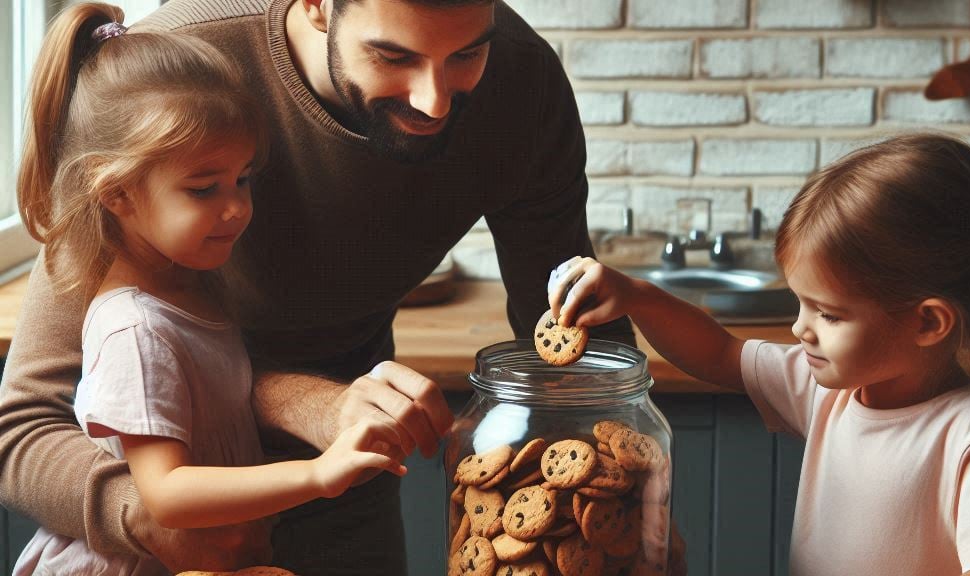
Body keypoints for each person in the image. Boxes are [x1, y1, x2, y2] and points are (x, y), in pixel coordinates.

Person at [0, 0, 634, 574]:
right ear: (317, 6)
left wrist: (628, 509)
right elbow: (22, 427)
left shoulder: (520, 84)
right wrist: (145, 517)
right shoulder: (169, 79)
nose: (433, 101)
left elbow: (578, 342)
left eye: (467, 54)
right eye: (392, 56)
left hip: (353, 489)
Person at [10, 5, 411, 574]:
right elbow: (167, 493)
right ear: (116, 192)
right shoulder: (135, 331)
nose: (237, 208)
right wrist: (318, 476)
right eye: (203, 189)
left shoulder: (188, 289)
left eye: (243, 179)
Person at [547, 134, 970, 576]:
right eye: (801, 303)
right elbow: (720, 352)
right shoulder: (827, 390)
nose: (800, 328)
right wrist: (638, 296)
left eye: (829, 315)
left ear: (927, 323)